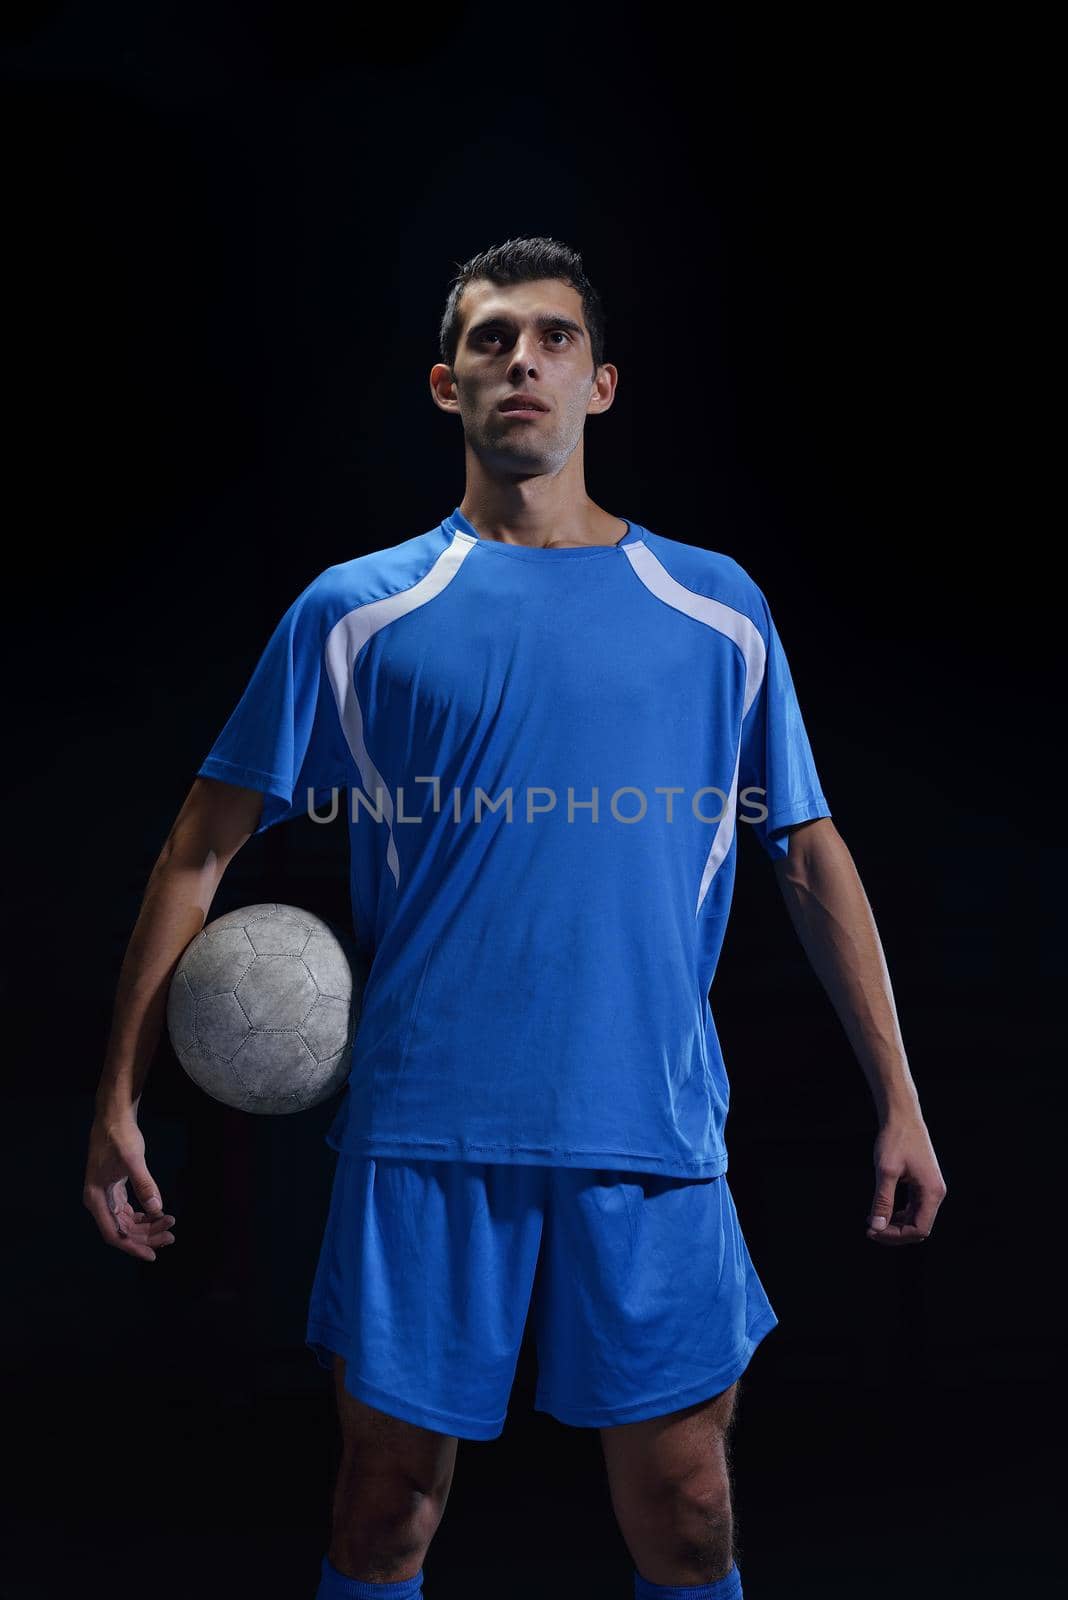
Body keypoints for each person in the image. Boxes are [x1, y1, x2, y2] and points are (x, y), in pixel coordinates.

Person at [84, 235, 948, 1600]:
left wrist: (899, 1097)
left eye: (551, 339)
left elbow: (806, 852)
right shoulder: (358, 612)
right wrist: (117, 1100)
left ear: (602, 385)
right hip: (429, 1125)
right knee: (384, 1514)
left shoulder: (716, 610)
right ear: (447, 386)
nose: (522, 361)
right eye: (492, 340)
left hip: (649, 1125)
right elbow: (199, 852)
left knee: (691, 1512)